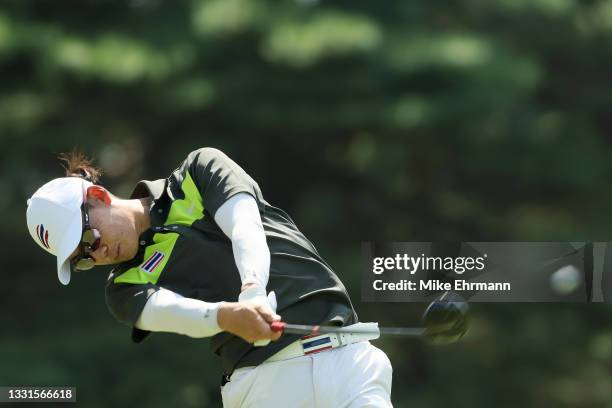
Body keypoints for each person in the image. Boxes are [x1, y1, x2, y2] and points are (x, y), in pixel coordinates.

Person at [26, 147, 393, 407]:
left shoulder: (197, 172)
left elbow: (245, 227)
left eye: (88, 238)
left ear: (98, 196)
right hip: (267, 386)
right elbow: (176, 314)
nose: (97, 253)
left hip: (348, 355)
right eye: (83, 259)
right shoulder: (123, 288)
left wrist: (252, 290)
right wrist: (228, 316)